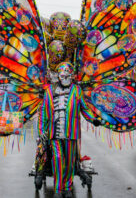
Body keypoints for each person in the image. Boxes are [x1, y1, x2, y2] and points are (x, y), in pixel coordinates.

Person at [40, 62, 97, 198]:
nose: (65, 76)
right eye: (62, 74)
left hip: (71, 133)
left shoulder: (77, 90)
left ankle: (67, 187)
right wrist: (42, 130)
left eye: (68, 74)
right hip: (54, 133)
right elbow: (44, 112)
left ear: (72, 76)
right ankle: (59, 189)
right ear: (58, 76)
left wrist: (93, 119)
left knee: (70, 162)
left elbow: (84, 108)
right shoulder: (49, 91)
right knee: (58, 159)